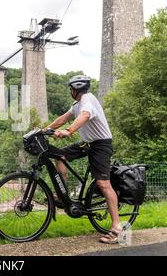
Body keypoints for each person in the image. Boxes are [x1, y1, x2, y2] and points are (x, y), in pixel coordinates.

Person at [43, 75, 122, 244]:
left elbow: (85, 115)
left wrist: (69, 131)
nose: (70, 91)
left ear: (75, 89)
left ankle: (117, 228)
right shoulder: (77, 104)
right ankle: (62, 195)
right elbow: (63, 118)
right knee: (60, 156)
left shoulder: (87, 100)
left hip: (101, 145)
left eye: (70, 89)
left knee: (103, 184)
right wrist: (44, 130)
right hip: (87, 143)